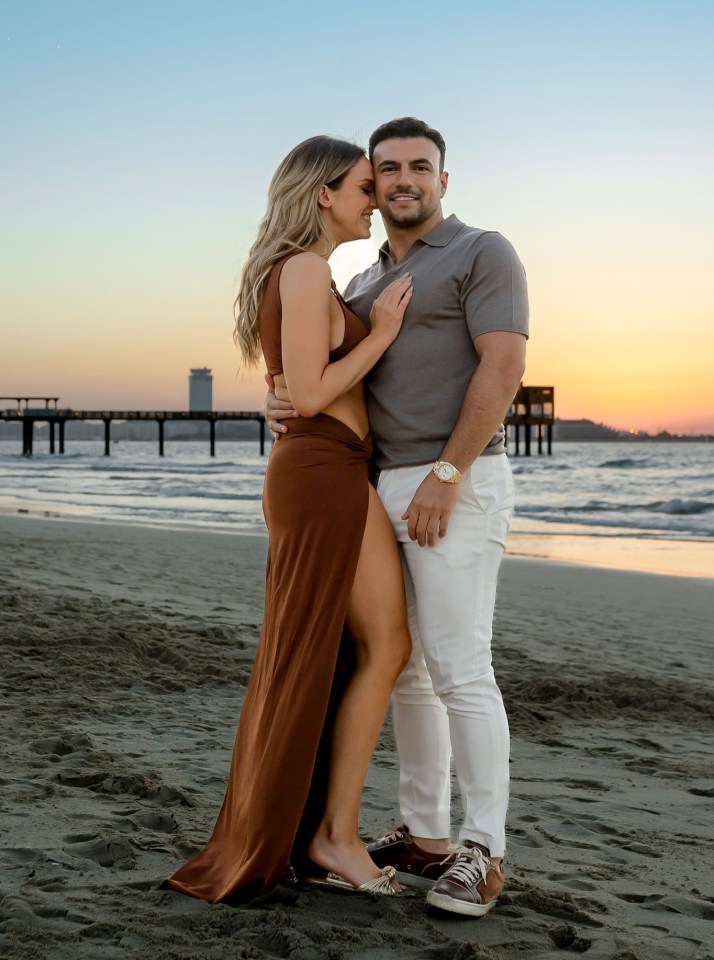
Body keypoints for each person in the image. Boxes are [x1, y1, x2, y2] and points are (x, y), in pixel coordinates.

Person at [266, 117, 528, 917]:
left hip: (455, 479)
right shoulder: (362, 281)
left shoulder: (484, 250)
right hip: (374, 486)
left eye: (421, 166)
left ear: (444, 180)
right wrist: (283, 399)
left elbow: (506, 363)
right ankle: (424, 831)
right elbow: (336, 376)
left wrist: (449, 472)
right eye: (388, 169)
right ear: (371, 186)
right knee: (406, 667)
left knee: (459, 666)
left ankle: (484, 850)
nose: (404, 179)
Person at [166, 136, 414, 903]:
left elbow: (294, 389)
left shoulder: (303, 274)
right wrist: (381, 336)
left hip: (326, 469)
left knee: (340, 651)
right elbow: (307, 395)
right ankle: (333, 835)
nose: (374, 200)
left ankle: (325, 831)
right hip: (322, 473)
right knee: (379, 647)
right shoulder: (306, 270)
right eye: (363, 187)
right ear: (323, 196)